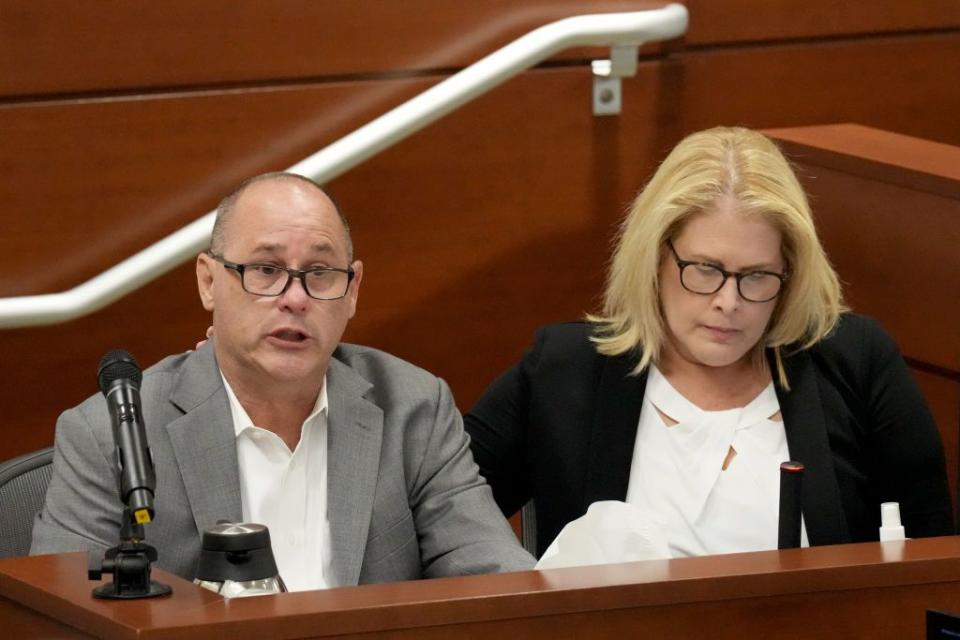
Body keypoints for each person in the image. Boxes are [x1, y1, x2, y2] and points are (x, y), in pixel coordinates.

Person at [465, 126, 953, 558]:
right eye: (705, 269)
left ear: (791, 272)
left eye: (757, 276)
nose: (729, 302)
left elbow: (935, 561)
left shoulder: (855, 362)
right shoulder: (564, 370)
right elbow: (442, 519)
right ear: (656, 257)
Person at [31, 172, 534, 589]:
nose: (295, 297)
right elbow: (63, 617)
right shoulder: (112, 433)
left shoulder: (415, 410)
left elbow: (497, 584)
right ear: (209, 281)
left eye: (319, 272)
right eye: (266, 269)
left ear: (353, 290)